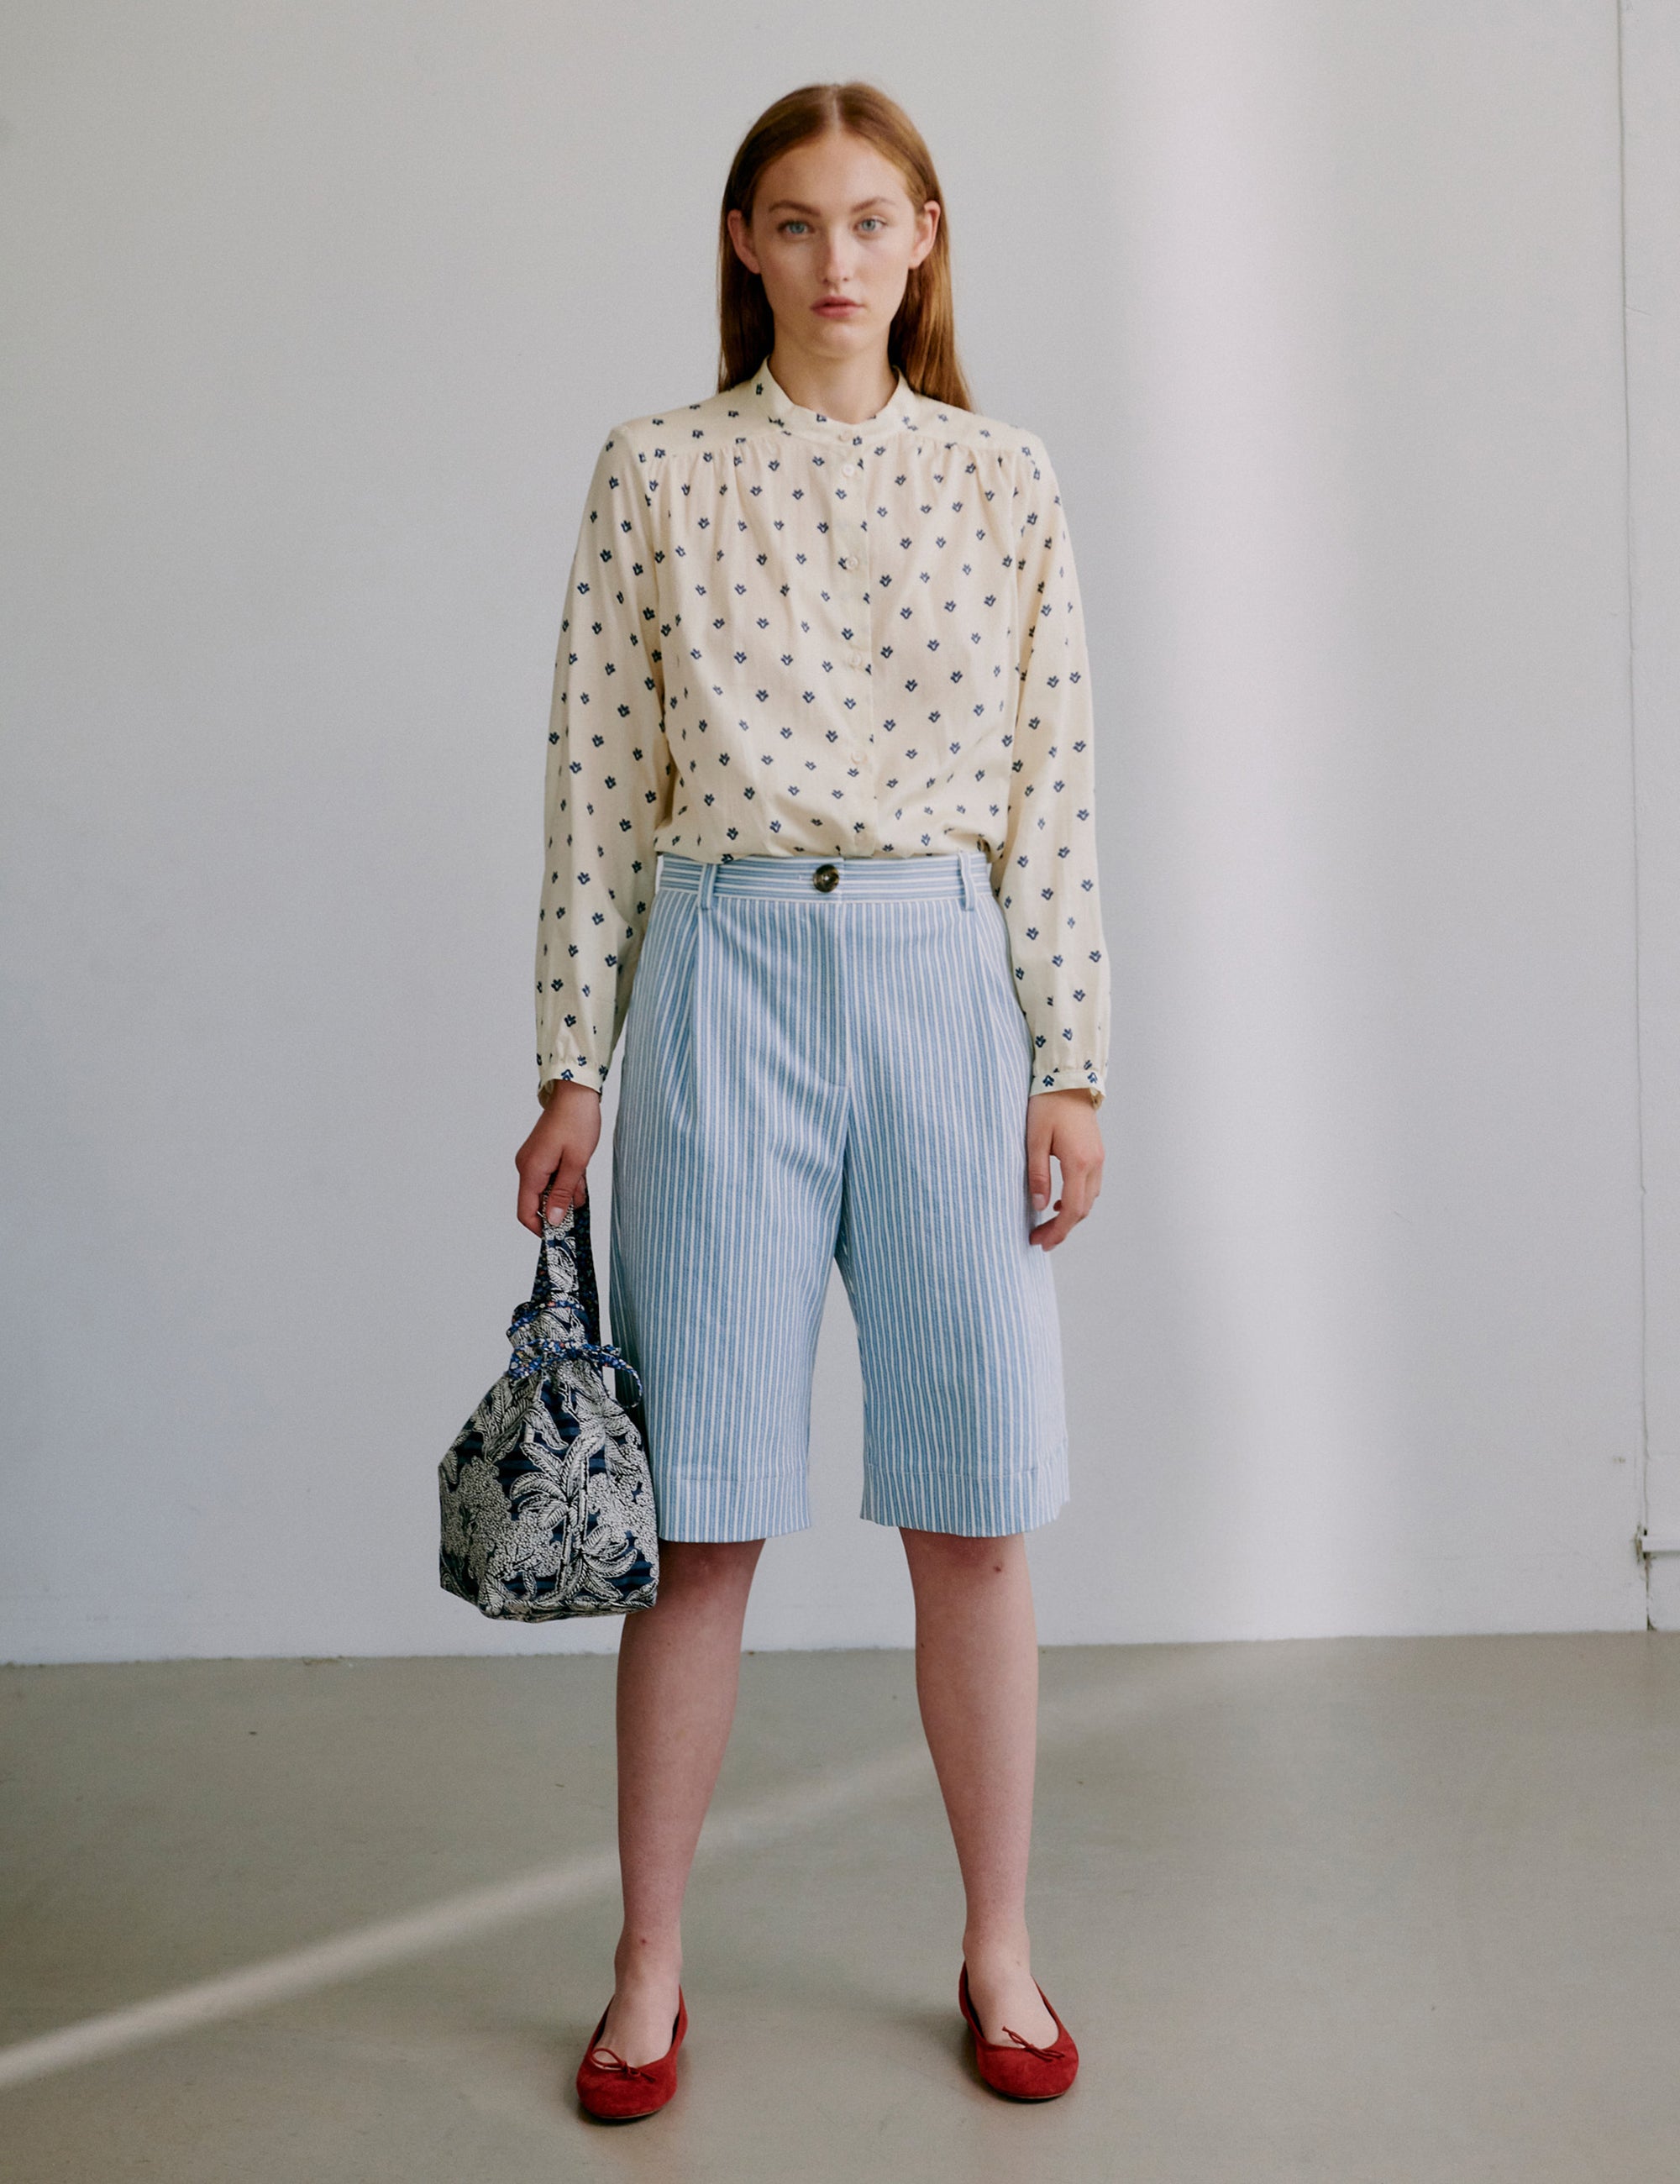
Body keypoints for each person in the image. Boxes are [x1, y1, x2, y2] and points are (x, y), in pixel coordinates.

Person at [514, 79, 1110, 2118]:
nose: (835, 258)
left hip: (946, 983)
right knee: (701, 1527)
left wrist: (1073, 1059)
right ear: (744, 246)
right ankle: (648, 1960)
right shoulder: (657, 471)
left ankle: (999, 1943)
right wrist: (572, 1062)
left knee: (972, 1512)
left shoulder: (1005, 477)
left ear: (924, 237)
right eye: (794, 222)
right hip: (721, 978)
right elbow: (595, 778)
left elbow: (1057, 789)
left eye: (870, 221)